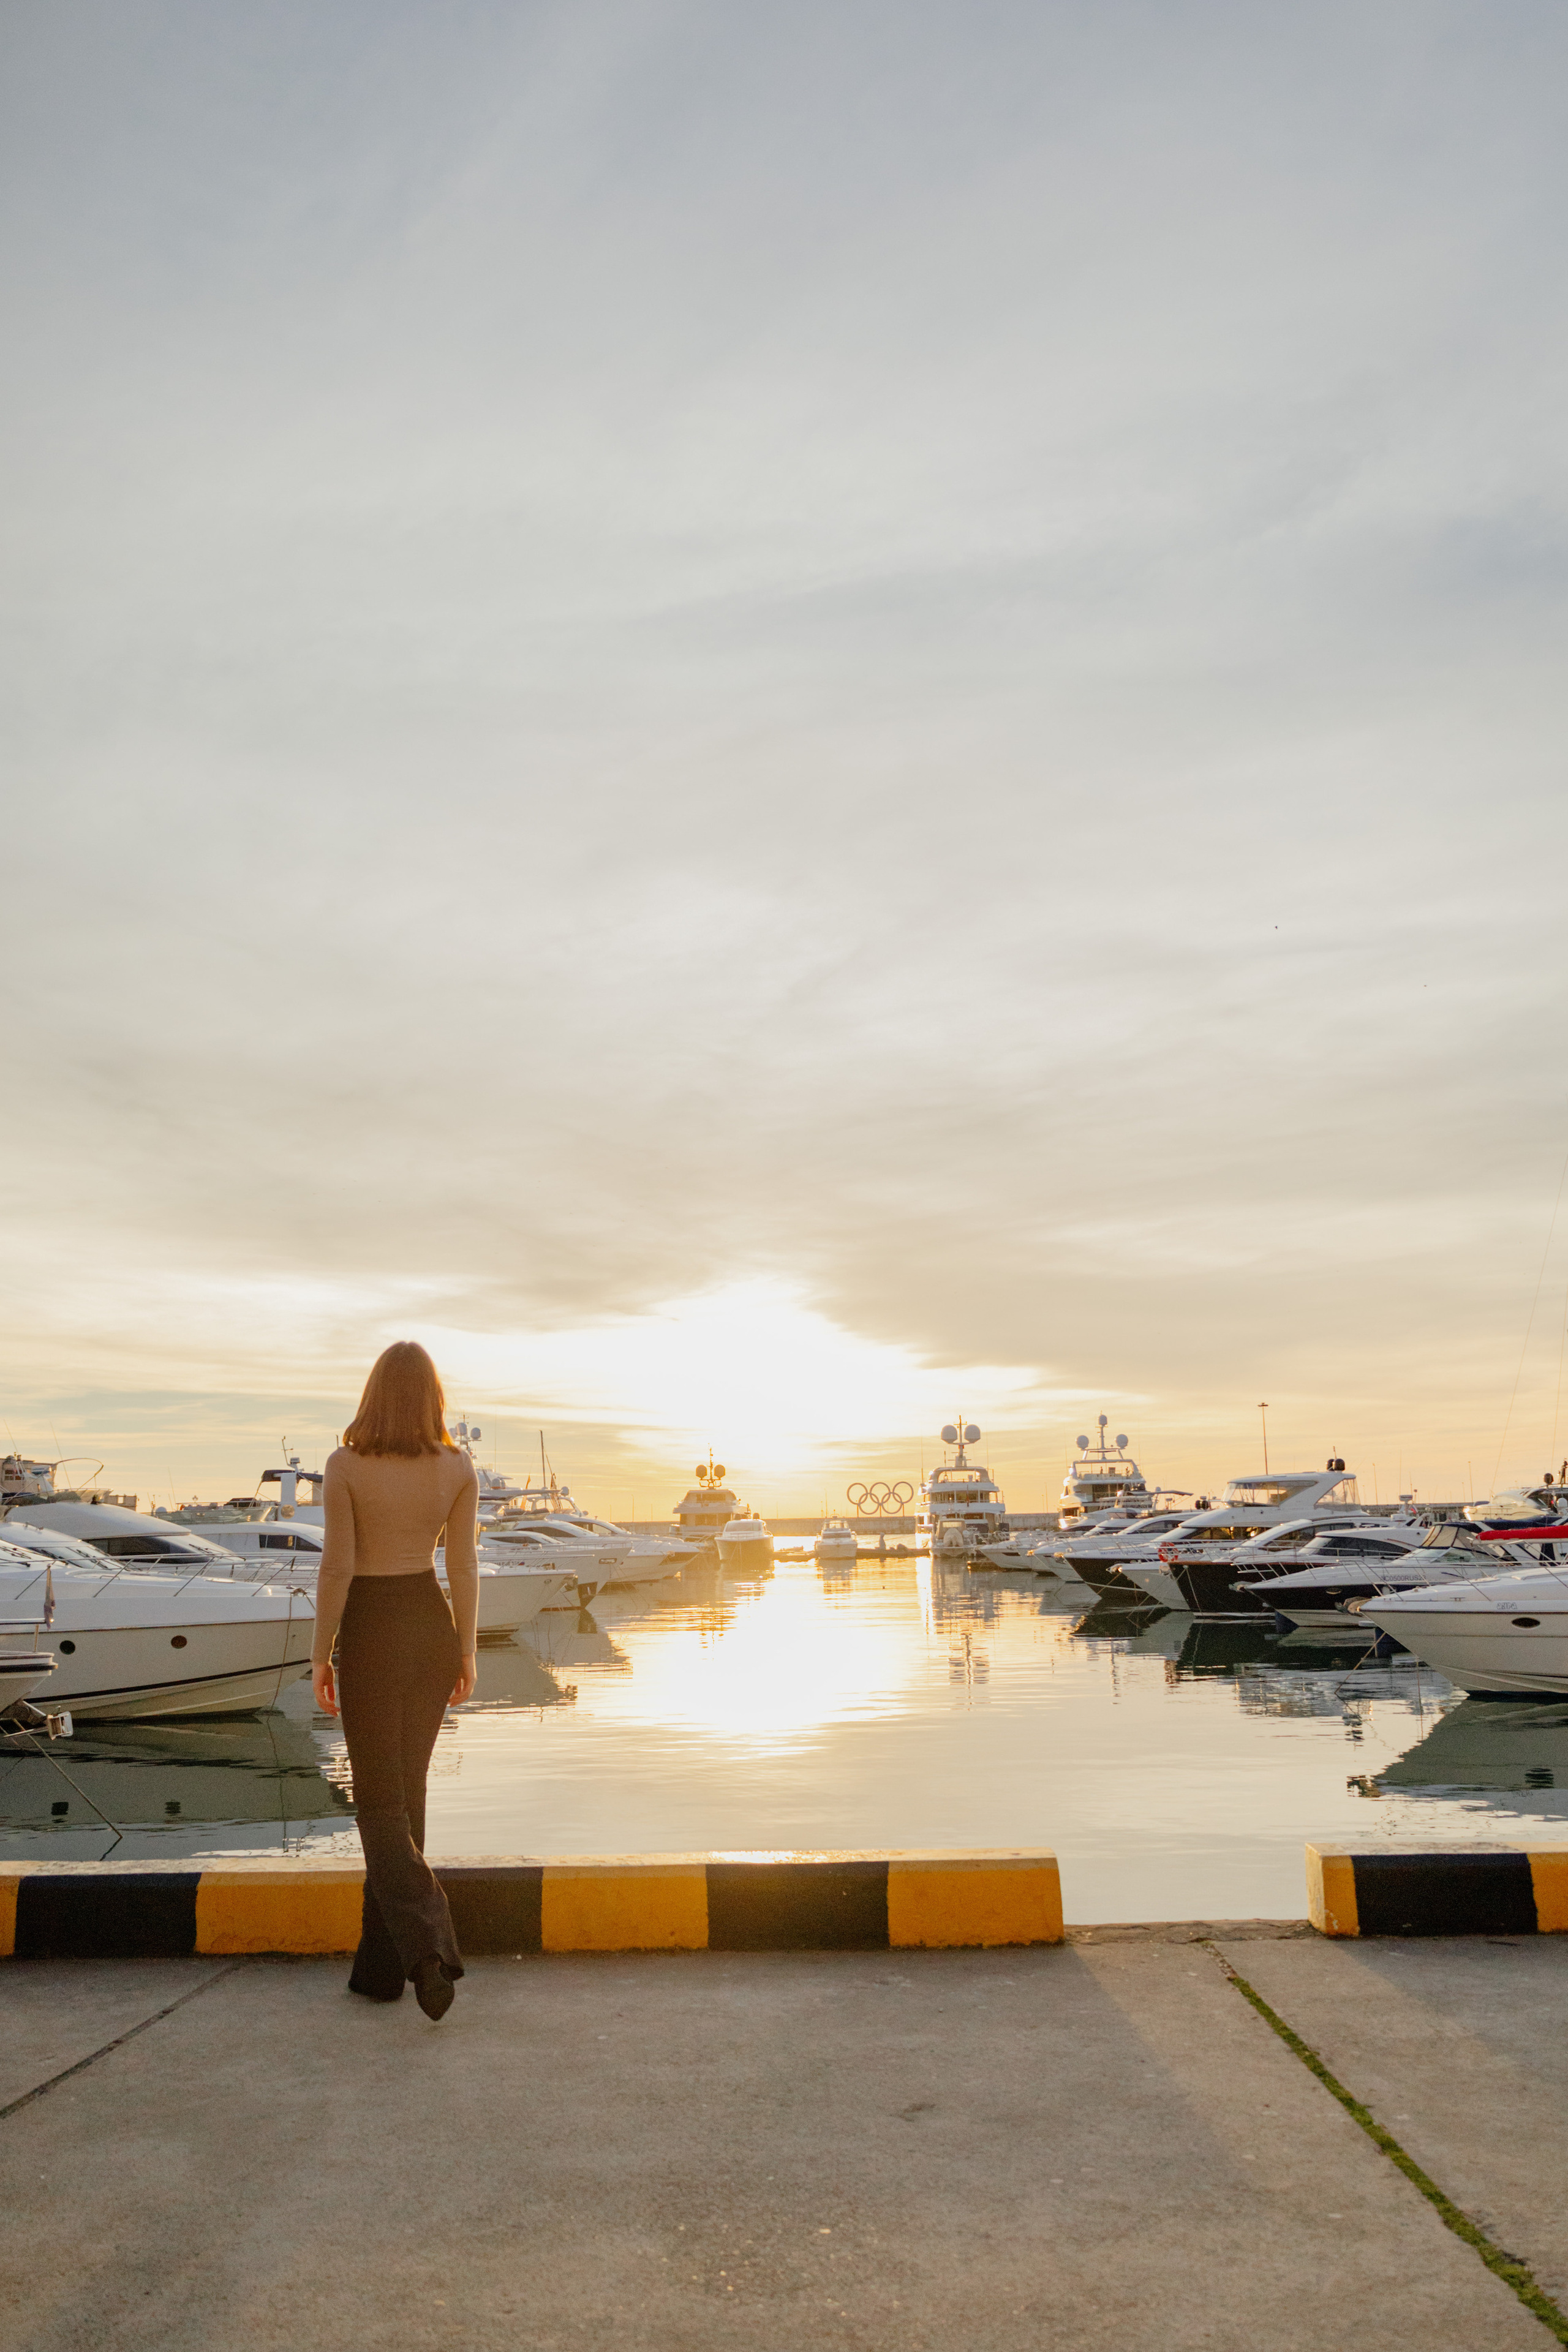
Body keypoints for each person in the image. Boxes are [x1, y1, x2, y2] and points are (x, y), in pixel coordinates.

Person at [312, 1341, 479, 2019]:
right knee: (407, 1799)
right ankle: (378, 1970)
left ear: (374, 1393)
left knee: (379, 1804)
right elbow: (464, 1567)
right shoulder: (457, 1467)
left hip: (374, 1628)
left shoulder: (345, 1464)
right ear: (432, 1397)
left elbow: (338, 1569)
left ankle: (427, 1951)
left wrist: (320, 1654)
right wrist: (465, 1652)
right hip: (430, 1623)